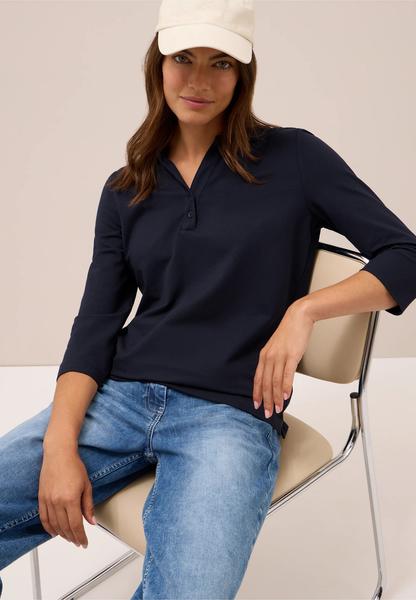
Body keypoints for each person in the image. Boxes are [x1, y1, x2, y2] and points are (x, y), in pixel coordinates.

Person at [1, 0, 416, 598]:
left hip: (229, 415)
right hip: (119, 399)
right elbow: (94, 328)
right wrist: (59, 447)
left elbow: (405, 255)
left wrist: (304, 310)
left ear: (243, 74)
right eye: (183, 59)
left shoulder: (295, 158)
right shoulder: (126, 188)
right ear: (158, 65)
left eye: (221, 63)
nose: (199, 80)